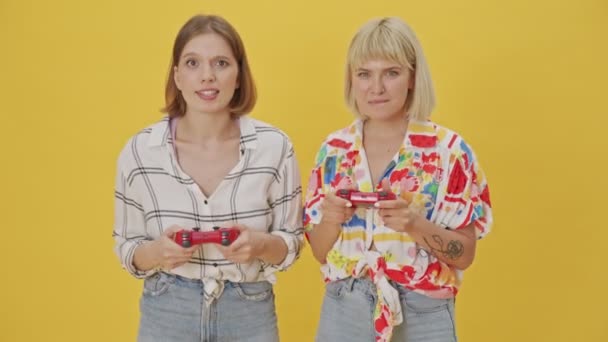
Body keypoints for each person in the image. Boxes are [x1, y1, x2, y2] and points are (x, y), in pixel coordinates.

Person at [113, 14, 304, 342]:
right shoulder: (141, 152)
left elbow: (292, 241)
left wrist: (260, 244)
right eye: (192, 63)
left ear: (239, 76)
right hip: (167, 310)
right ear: (177, 76)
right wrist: (159, 252)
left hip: (248, 310)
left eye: (220, 63)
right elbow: (127, 246)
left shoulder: (275, 148)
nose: (207, 77)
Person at [304, 17, 493, 342]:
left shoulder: (448, 152)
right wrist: (332, 220)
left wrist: (413, 225)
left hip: (422, 312)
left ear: (412, 78)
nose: (375, 88)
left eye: (391, 73)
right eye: (364, 74)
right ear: (352, 79)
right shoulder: (334, 151)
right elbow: (321, 252)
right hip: (343, 309)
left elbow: (464, 255)